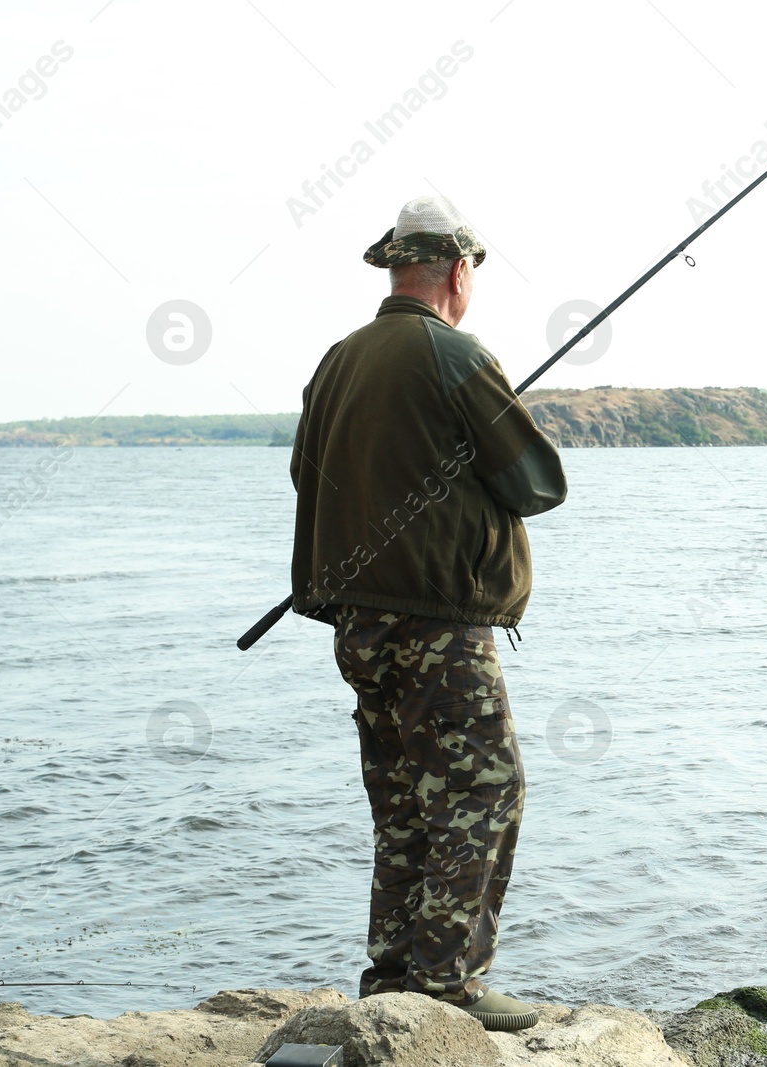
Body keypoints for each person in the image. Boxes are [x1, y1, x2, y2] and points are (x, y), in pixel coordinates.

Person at [288, 195, 567, 1032]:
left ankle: (394, 978)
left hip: (358, 628)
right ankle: (448, 987)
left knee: (406, 799)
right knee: (485, 790)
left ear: (394, 265)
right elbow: (537, 483)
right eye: (472, 269)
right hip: (436, 626)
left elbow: (308, 475)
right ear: (458, 269)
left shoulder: (337, 361)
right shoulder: (455, 356)